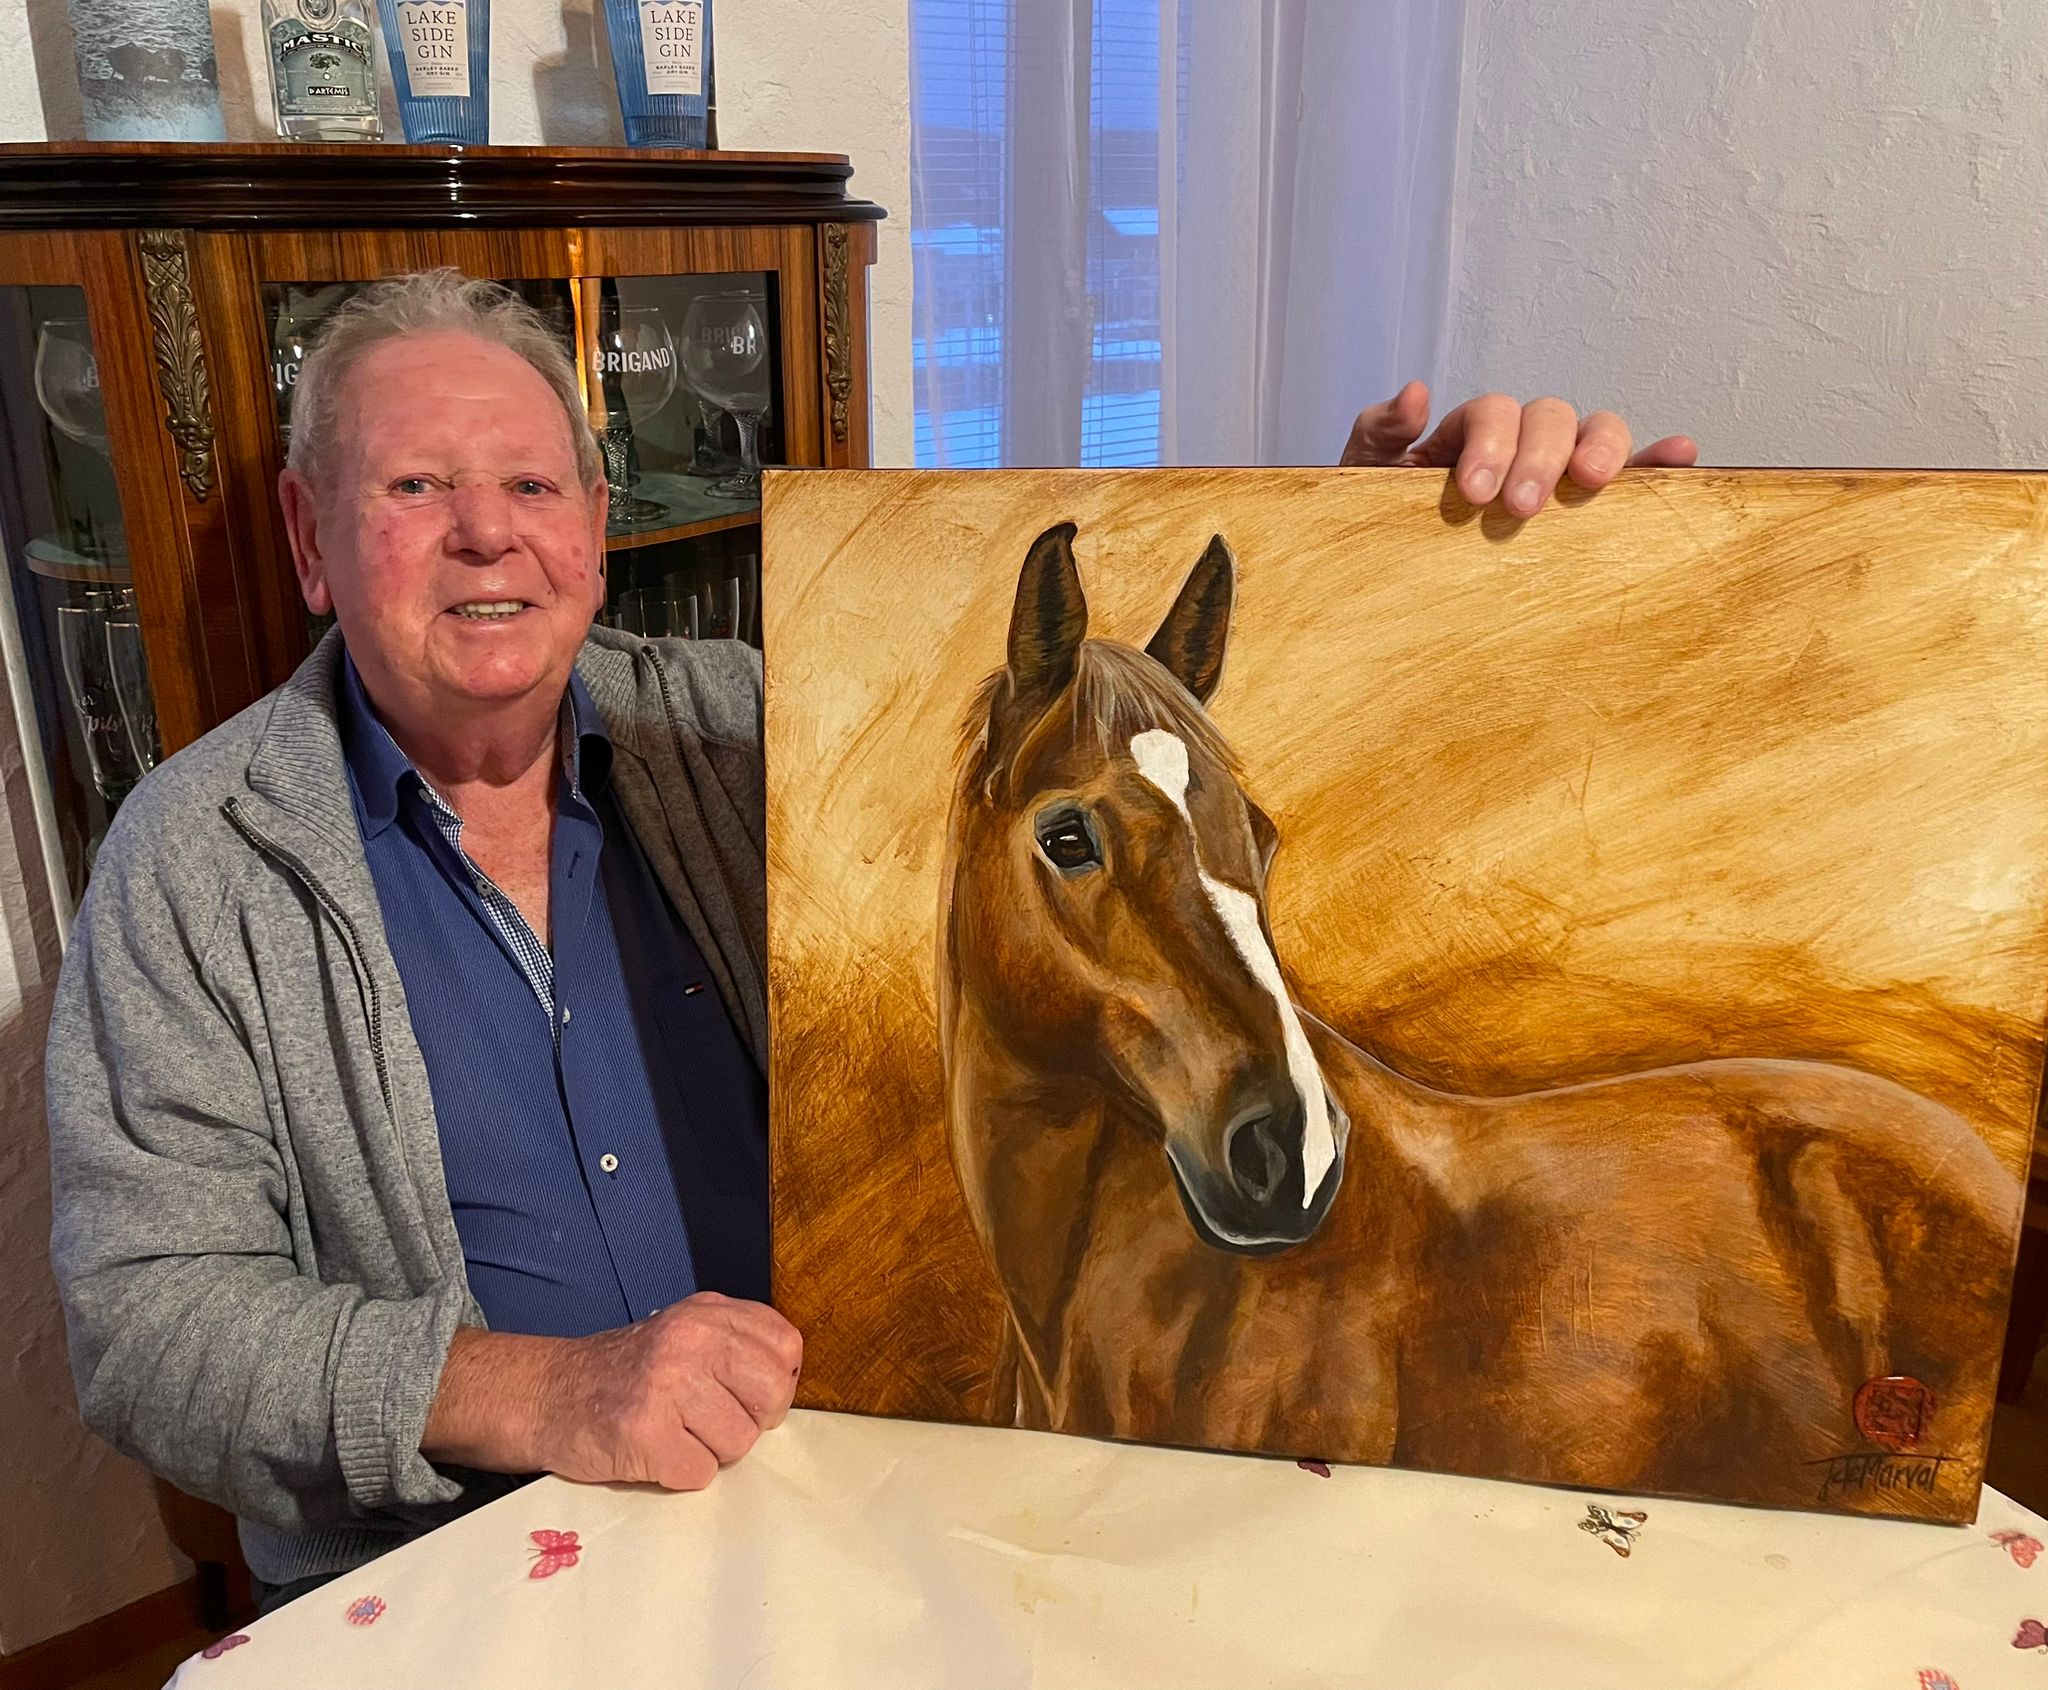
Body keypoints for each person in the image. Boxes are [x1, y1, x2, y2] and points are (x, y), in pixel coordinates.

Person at [43, 271, 1698, 1609]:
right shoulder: (197, 861)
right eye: (416, 487)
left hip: (842, 1507)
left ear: (594, 525)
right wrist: (542, 1392)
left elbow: (1096, 791)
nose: (488, 532)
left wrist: (1390, 538)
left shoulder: (755, 735)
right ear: (309, 538)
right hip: (461, 1578)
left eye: (530, 485)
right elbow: (151, 1325)